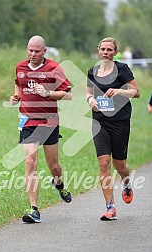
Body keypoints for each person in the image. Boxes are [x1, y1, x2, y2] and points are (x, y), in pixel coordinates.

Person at [10, 35, 72, 223]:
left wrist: (47, 93)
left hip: (49, 121)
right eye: (30, 50)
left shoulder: (54, 68)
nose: (33, 54)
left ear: (44, 51)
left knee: (53, 166)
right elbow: (18, 83)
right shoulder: (20, 67)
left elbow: (67, 94)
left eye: (37, 51)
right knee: (30, 163)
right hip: (28, 121)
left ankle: (59, 183)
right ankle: (34, 209)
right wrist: (16, 96)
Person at [86, 37, 140, 221]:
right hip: (100, 122)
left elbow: (136, 92)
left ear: (115, 52)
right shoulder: (93, 71)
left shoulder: (122, 69)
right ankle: (110, 207)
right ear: (98, 50)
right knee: (103, 163)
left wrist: (119, 91)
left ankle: (126, 183)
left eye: (109, 49)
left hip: (120, 121)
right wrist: (90, 100)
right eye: (103, 49)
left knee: (120, 165)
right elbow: (88, 92)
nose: (106, 52)